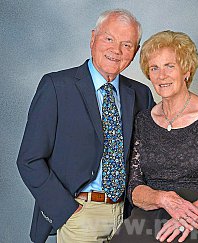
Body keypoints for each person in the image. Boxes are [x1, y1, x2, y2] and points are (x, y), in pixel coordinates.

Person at [17, 9, 155, 243]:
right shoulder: (56, 87)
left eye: (127, 44)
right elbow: (29, 159)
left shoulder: (141, 95)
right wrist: (68, 212)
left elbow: (151, 156)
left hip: (128, 218)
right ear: (93, 38)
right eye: (109, 39)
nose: (116, 50)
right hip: (80, 215)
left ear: (135, 52)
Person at [111, 30, 198, 242]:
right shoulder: (143, 120)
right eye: (154, 68)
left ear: (187, 71)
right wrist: (163, 198)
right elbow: (133, 187)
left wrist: (191, 213)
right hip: (151, 216)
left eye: (169, 66)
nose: (161, 75)